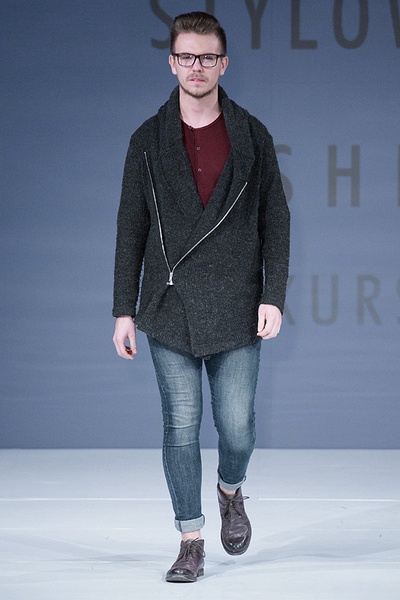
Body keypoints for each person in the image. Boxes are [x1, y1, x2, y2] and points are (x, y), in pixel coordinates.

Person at [112, 11, 290, 583]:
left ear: (223, 64)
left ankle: (230, 490)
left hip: (237, 301)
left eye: (207, 56)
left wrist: (273, 295)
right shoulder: (147, 140)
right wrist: (123, 309)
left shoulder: (252, 134)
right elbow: (131, 227)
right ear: (172, 62)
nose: (197, 66)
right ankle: (190, 538)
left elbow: (275, 220)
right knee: (180, 426)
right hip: (170, 303)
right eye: (186, 56)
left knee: (237, 428)